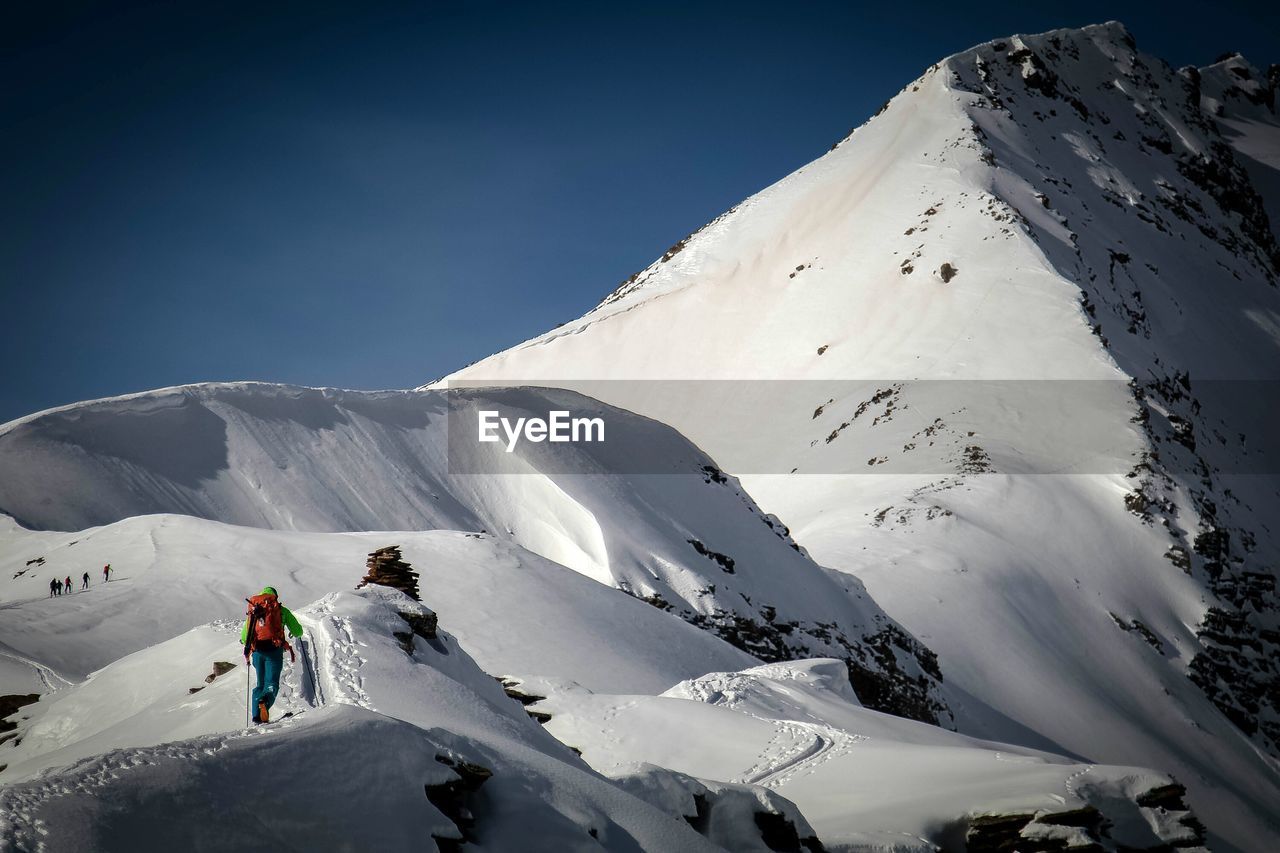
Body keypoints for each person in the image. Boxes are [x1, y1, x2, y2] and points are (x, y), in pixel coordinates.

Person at [240, 586, 303, 724]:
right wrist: (294, 633)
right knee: (271, 684)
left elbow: (244, 636)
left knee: (260, 684)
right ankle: (265, 702)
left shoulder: (254, 610)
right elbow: (298, 631)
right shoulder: (281, 610)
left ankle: (257, 717)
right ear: (275, 597)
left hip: (257, 653)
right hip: (274, 652)